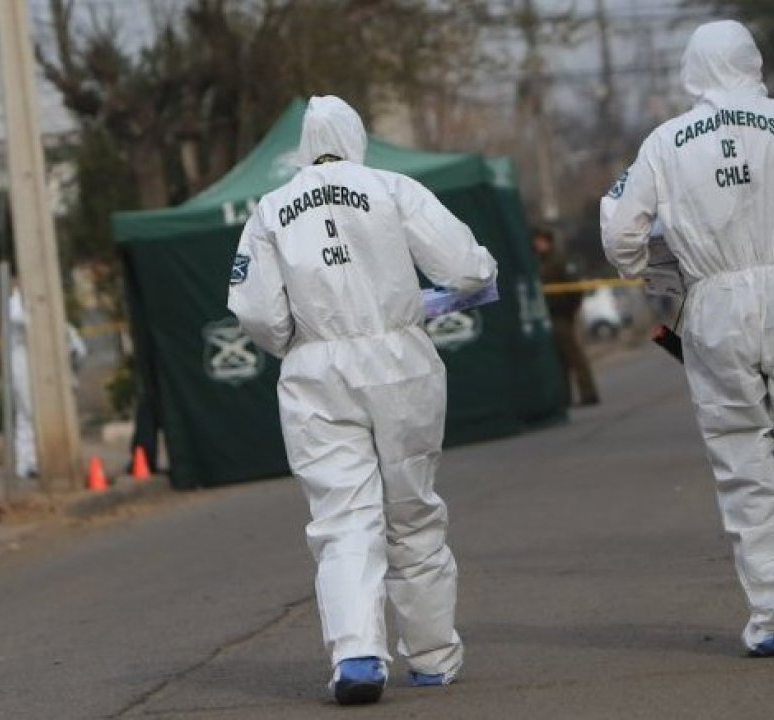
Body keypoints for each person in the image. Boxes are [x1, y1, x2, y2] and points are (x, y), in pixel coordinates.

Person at [600, 20, 774, 657]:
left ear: (691, 73)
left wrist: (659, 277)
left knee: (744, 463)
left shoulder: (664, 143)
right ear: (754, 63)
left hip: (713, 307)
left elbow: (621, 234)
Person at [228, 96, 496, 705]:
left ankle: (356, 655)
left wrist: (296, 343)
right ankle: (431, 656)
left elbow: (256, 313)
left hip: (315, 369)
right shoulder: (391, 187)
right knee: (412, 509)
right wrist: (472, 276)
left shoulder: (268, 210)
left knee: (342, 517)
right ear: (356, 137)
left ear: (301, 146)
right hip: (400, 361)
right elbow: (465, 268)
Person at [7, 287, 87, 479]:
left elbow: (78, 349)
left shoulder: (59, 321)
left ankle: (30, 462)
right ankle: (28, 462)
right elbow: (19, 319)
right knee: (29, 413)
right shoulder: (17, 303)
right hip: (23, 364)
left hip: (44, 366)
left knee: (30, 415)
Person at [533, 228, 599, 406]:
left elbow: (574, 288)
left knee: (574, 355)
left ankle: (588, 393)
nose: (537, 244)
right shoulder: (539, 262)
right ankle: (565, 397)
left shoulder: (559, 261)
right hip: (549, 315)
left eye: (540, 241)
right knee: (560, 358)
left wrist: (571, 310)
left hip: (561, 314)